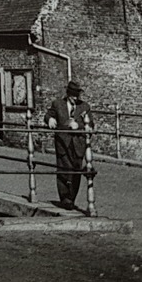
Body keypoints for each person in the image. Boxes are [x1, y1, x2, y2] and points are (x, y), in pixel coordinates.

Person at [45, 80, 94, 210]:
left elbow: (91, 126)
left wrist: (78, 126)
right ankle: (64, 198)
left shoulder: (85, 107)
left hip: (78, 144)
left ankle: (71, 198)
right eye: (72, 95)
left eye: (77, 95)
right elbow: (48, 114)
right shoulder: (58, 104)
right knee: (63, 170)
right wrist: (50, 119)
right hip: (63, 142)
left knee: (76, 171)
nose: (75, 98)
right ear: (68, 94)